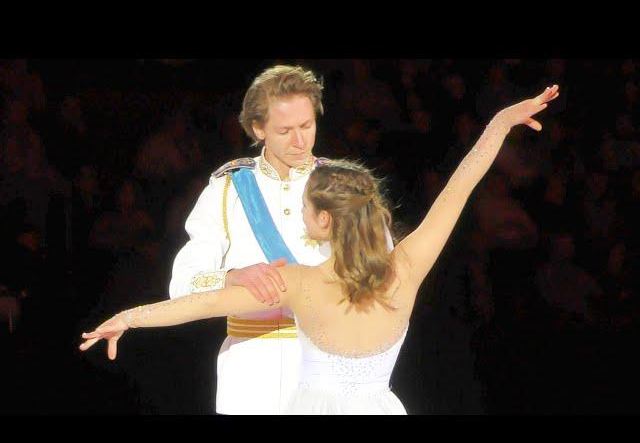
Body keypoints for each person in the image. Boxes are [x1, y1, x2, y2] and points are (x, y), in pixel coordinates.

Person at [80, 85, 560, 414]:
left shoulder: (301, 285)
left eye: (308, 205)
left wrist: (128, 318)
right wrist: (498, 124)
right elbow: (459, 188)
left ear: (324, 221)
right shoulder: (407, 267)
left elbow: (198, 305)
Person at [166, 65, 334, 414]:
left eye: (307, 126)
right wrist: (231, 277)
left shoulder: (343, 187)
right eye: (285, 131)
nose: (300, 141)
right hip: (250, 375)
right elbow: (181, 285)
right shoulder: (227, 191)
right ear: (258, 128)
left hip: (329, 367)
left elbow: (382, 274)